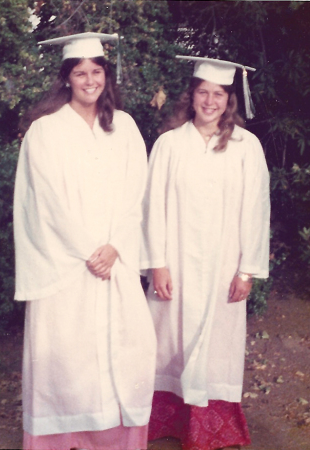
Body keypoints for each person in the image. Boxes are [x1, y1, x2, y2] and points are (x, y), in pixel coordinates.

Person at [14, 32, 156, 450]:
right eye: (80, 72)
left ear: (106, 76)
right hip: (67, 266)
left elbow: (137, 193)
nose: (89, 80)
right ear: (66, 78)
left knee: (125, 350)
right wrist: (88, 252)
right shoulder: (45, 132)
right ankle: (63, 438)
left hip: (116, 259)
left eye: (97, 71)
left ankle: (113, 437)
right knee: (67, 356)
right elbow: (46, 203)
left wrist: (114, 247)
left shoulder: (125, 127)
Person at [141, 56, 270, 450]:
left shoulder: (247, 147)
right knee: (167, 340)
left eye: (218, 94)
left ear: (229, 99)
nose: (210, 101)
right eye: (203, 92)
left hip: (222, 264)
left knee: (217, 343)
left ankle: (212, 428)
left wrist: (247, 270)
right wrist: (157, 264)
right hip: (175, 263)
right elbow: (152, 206)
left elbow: (256, 209)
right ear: (191, 96)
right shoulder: (169, 143)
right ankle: (165, 422)